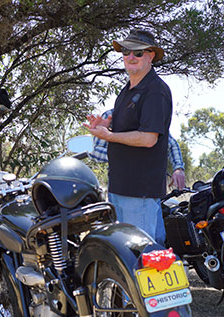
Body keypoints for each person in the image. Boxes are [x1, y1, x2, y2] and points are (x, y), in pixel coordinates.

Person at [84, 29, 172, 243]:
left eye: (138, 53)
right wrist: (108, 124)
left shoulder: (155, 90)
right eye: (126, 51)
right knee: (133, 255)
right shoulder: (128, 90)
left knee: (140, 258)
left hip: (139, 192)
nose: (131, 57)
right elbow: (132, 126)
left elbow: (148, 138)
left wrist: (109, 136)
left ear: (151, 56)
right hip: (121, 188)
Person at [90, 109, 186, 190]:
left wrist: (178, 169)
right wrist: (122, 154)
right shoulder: (110, 115)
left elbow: (171, 144)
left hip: (153, 186)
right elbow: (95, 151)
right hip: (121, 186)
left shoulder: (152, 117)